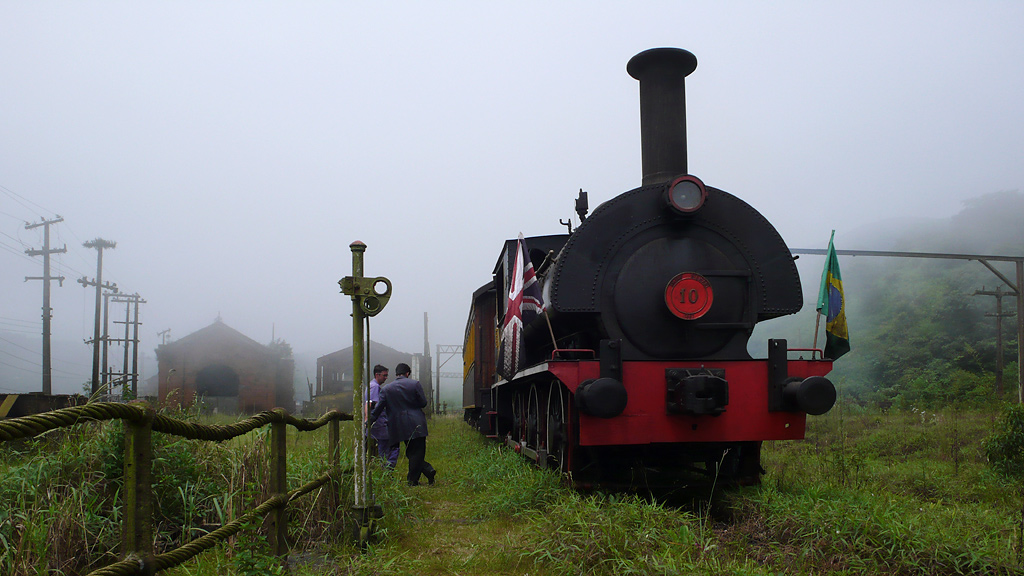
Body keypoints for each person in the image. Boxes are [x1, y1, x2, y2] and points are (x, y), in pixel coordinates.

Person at [369, 362, 436, 486]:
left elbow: (377, 410)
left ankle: (423, 473)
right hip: (416, 423)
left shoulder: (386, 389)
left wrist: (368, 422)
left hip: (398, 425)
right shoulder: (414, 384)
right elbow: (423, 403)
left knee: (411, 452)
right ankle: (415, 479)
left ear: (396, 374)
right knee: (417, 452)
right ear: (407, 373)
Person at [367, 364, 399, 469]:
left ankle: (382, 469)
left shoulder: (372, 386)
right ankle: (386, 470)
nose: (386, 378)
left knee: (382, 448)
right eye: (384, 375)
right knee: (389, 448)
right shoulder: (375, 387)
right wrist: (368, 420)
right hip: (379, 424)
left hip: (378, 423)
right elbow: (370, 404)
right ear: (377, 375)